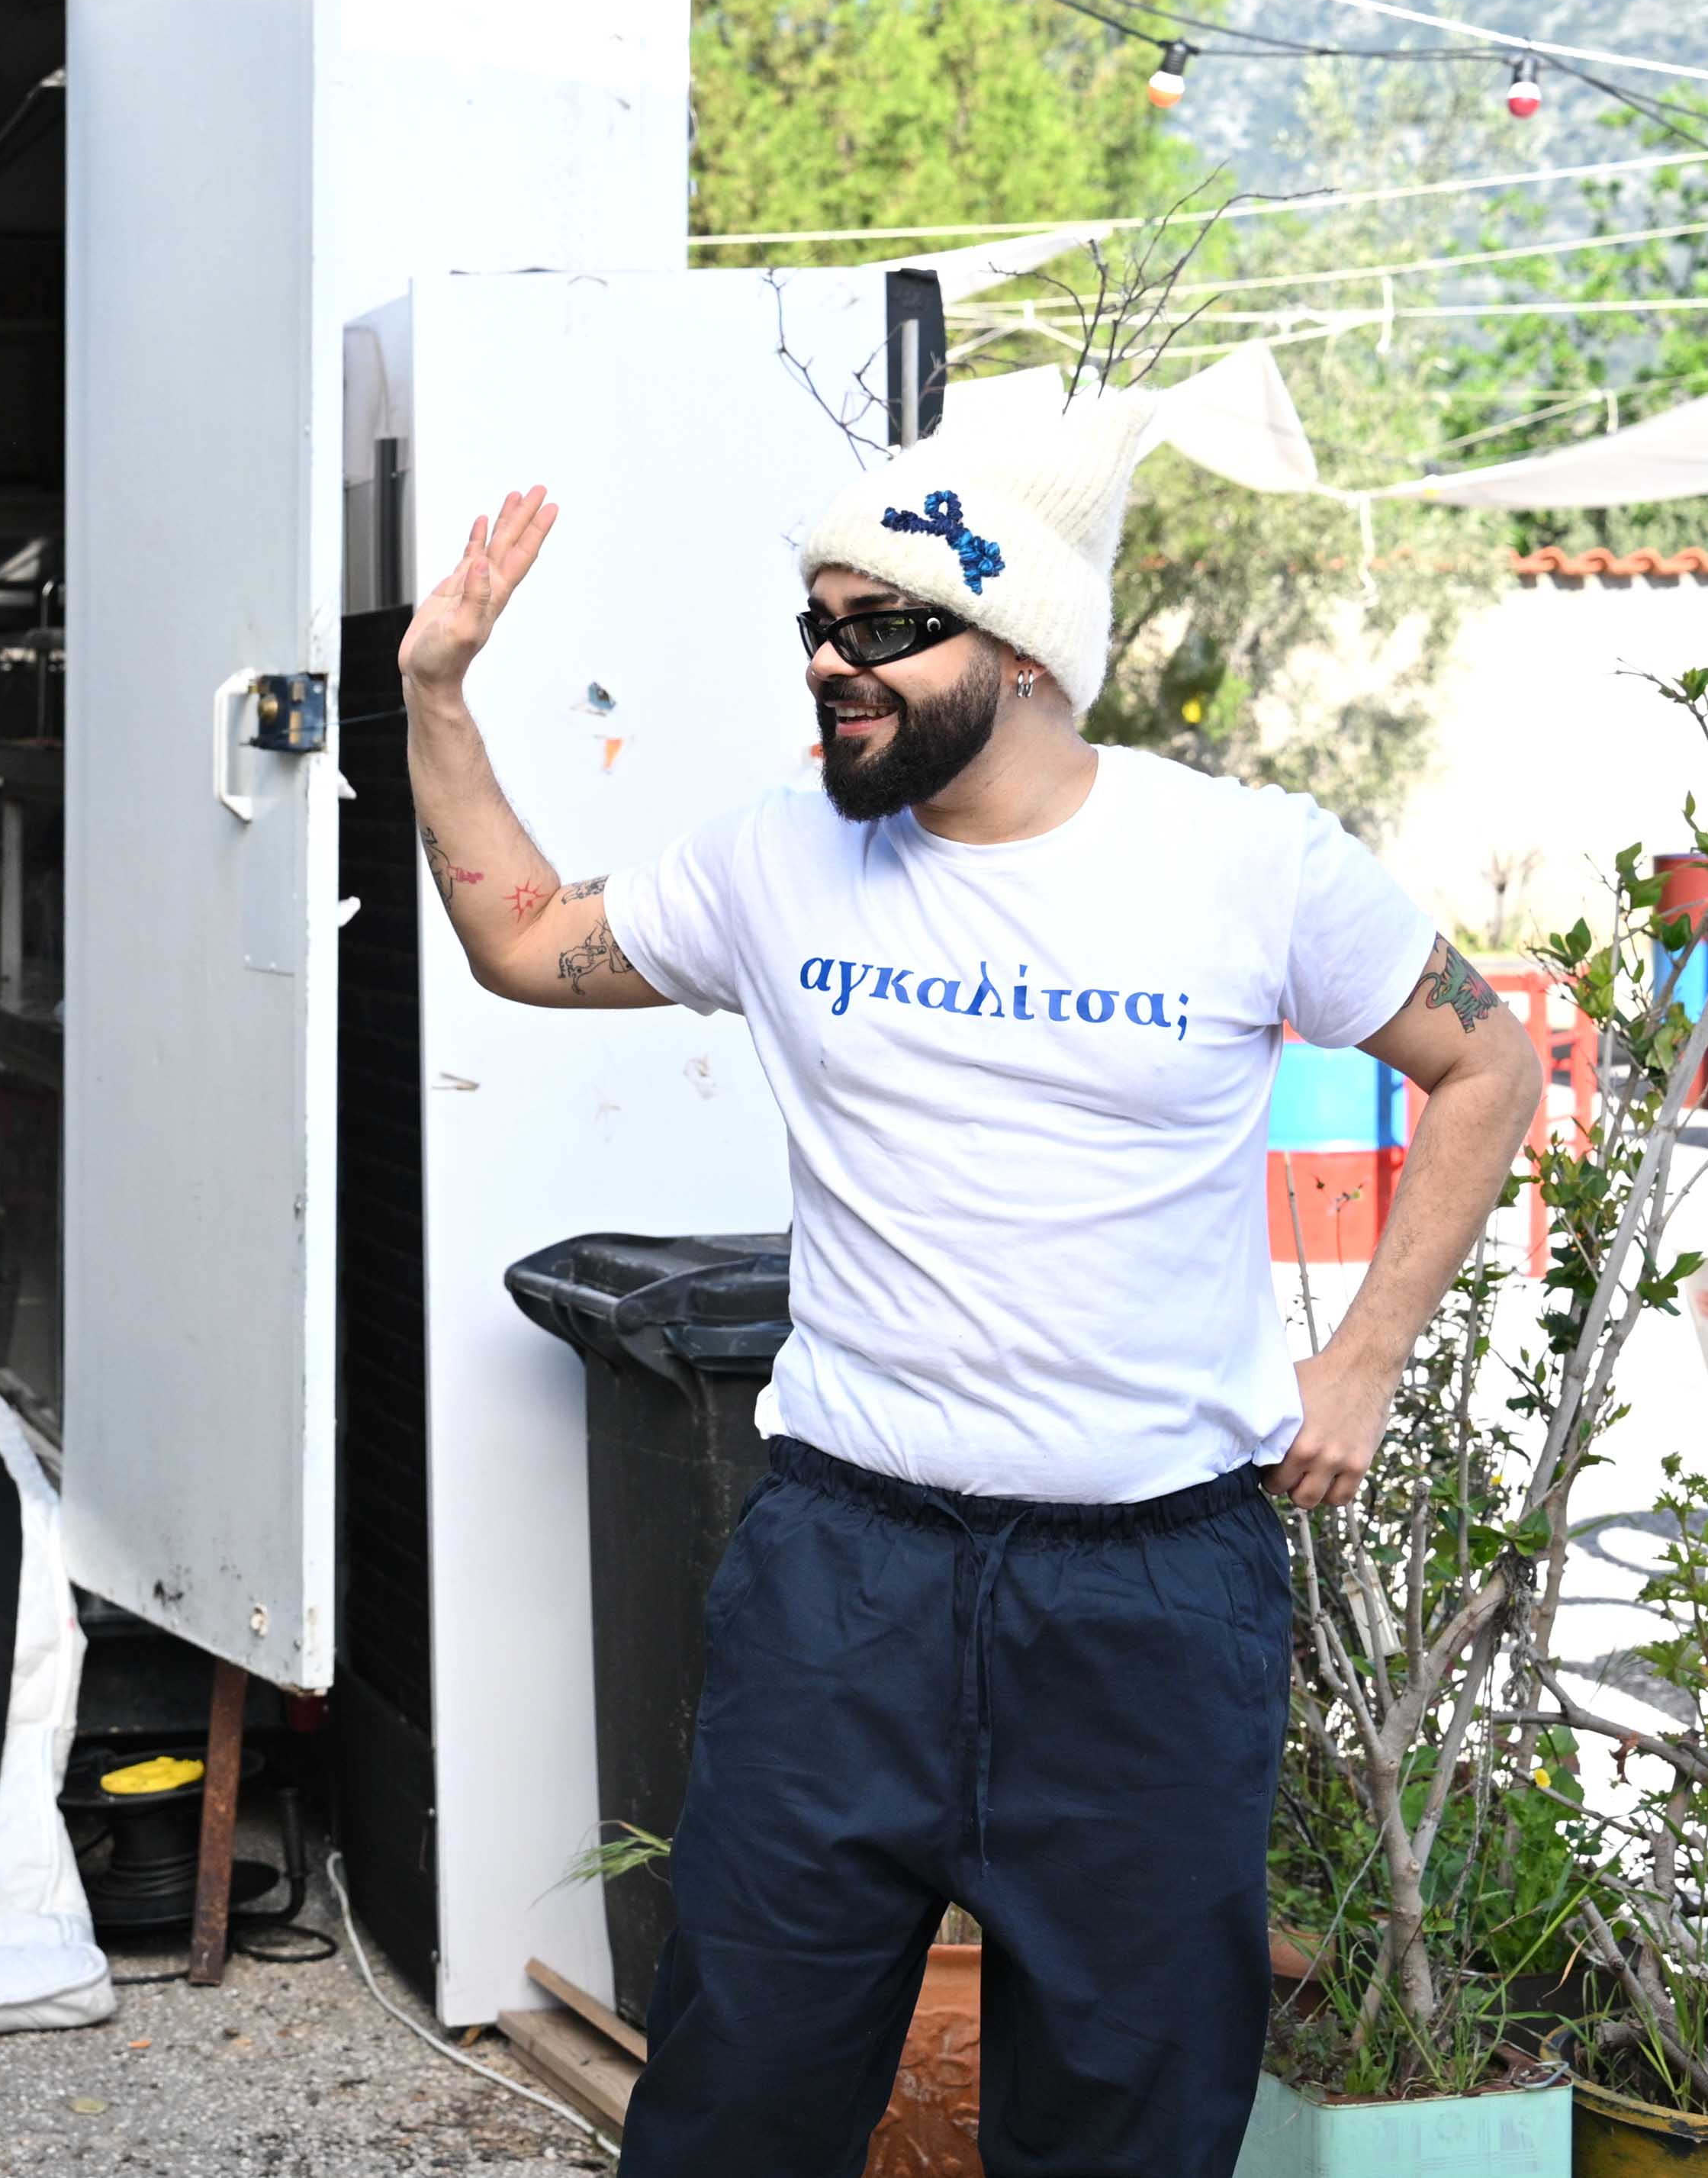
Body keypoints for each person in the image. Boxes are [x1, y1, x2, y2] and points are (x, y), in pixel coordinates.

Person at [397, 395, 1542, 2177]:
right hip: (844, 1583)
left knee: (1122, 2123)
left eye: (881, 629)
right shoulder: (778, 860)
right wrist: (437, 697)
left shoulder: (1246, 863)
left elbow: (1488, 1064)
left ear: (1019, 651)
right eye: (816, 627)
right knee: (736, 2108)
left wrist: (1366, 1355)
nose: (828, 666)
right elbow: (524, 938)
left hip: (1149, 1600)